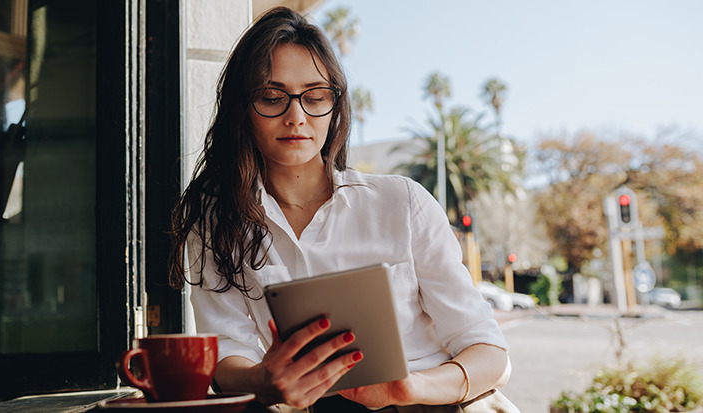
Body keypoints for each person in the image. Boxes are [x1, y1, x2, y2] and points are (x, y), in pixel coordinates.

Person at [169, 6, 515, 412]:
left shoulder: (402, 202)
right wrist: (261, 380)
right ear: (241, 110)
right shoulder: (216, 222)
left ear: (334, 106)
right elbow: (226, 348)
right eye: (271, 97)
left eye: (314, 96)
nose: (295, 116)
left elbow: (490, 353)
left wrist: (411, 388)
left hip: (435, 403)